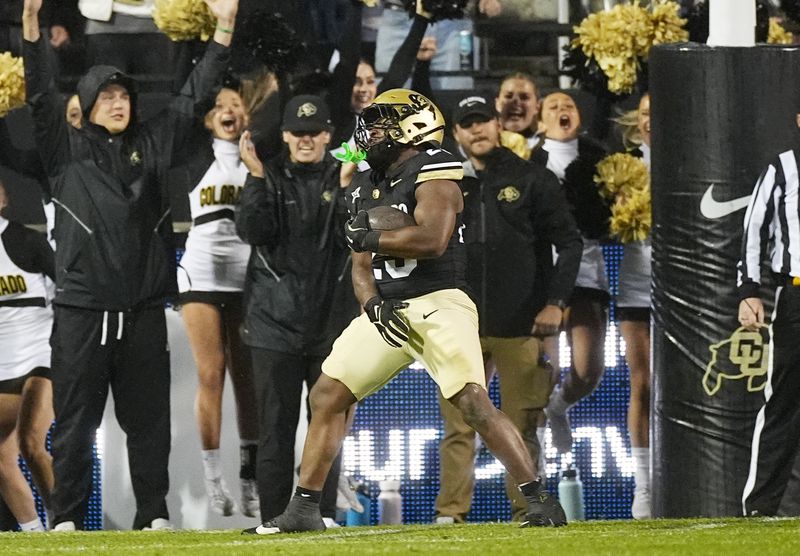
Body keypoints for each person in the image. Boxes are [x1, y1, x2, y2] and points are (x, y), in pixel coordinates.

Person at [243, 88, 567, 535]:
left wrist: (370, 237)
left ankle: (539, 499)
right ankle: (304, 509)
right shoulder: (365, 182)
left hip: (439, 301)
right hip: (389, 304)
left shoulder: (435, 172)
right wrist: (372, 303)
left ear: (410, 128)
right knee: (327, 394)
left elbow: (432, 239)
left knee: (472, 403)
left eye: (379, 125)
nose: (369, 133)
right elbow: (360, 268)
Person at [21, 0, 240, 531]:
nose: (119, 104)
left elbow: (195, 96)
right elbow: (40, 94)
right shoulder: (64, 151)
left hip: (142, 312)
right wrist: (29, 25)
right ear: (89, 103)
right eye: (108, 97)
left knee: (149, 425)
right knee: (74, 425)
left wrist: (225, 25)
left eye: (124, 96)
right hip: (81, 313)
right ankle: (68, 518)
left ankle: (153, 515)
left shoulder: (153, 144)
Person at [434, 95, 582, 523]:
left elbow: (569, 242)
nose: (476, 130)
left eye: (483, 121)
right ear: (456, 133)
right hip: (459, 324)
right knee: (459, 427)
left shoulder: (532, 179)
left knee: (521, 425)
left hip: (521, 322)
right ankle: (450, 514)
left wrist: (556, 303)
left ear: (499, 125)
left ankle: (527, 510)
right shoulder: (444, 184)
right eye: (468, 124)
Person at [235, 94, 359, 528]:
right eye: (298, 133)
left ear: (329, 135)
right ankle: (273, 518)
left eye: (315, 132)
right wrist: (254, 178)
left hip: (330, 327)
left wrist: (345, 189)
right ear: (285, 135)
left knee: (327, 428)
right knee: (276, 431)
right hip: (273, 326)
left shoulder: (346, 177)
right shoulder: (265, 177)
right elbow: (252, 230)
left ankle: (320, 514)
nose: (306, 140)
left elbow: (357, 238)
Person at [177, 83, 259, 518]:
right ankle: (213, 482)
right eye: (220, 105)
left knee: (247, 380)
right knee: (212, 373)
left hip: (247, 275)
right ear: (207, 119)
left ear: (248, 114)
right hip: (201, 273)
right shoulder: (193, 156)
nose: (229, 110)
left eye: (237, 104)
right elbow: (187, 89)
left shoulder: (259, 156)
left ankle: (249, 482)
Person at [530, 92, 609, 455]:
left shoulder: (601, 160)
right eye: (553, 107)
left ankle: (558, 408)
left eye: (569, 106)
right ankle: (537, 459)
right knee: (546, 370)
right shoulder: (525, 156)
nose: (562, 111)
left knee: (588, 371)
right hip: (541, 274)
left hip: (587, 271)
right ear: (540, 120)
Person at [737, 122, 800, 517]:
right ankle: (761, 506)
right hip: (795, 293)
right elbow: (753, 227)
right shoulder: (784, 166)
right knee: (783, 404)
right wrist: (748, 290)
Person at [0, 180, 54, 532]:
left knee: (31, 442)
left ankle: (66, 521)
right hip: (3, 362)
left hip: (41, 354)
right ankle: (34, 533)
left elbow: (69, 288)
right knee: (2, 454)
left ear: (3, 197)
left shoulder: (28, 241)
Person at [614, 93, 652, 519]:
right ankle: (644, 485)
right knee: (642, 382)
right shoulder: (621, 166)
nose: (649, 122)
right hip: (636, 289)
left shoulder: (697, 154)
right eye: (643, 114)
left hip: (687, 290)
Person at [495, 72, 543, 150]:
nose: (516, 101)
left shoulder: (551, 148)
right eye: (508, 96)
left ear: (537, 106)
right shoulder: (483, 146)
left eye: (524, 97)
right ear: (497, 103)